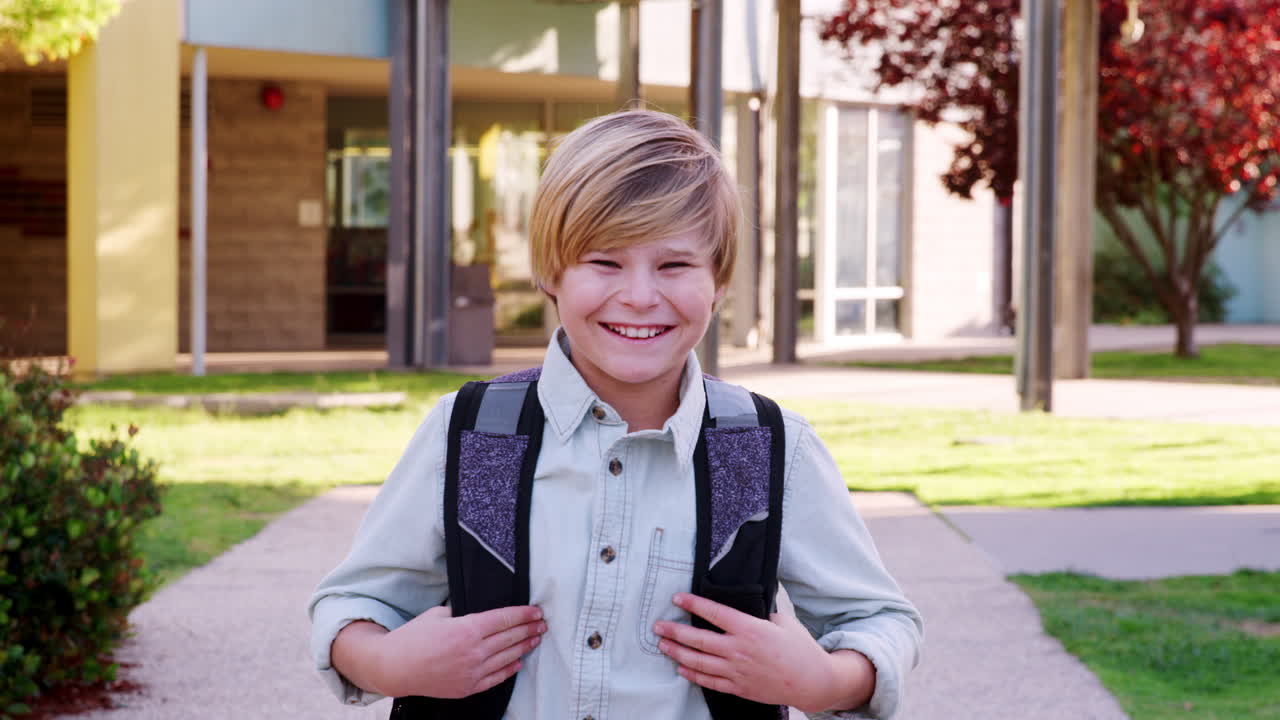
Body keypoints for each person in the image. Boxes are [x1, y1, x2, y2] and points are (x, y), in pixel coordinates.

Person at [308, 109, 923, 719]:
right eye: (605, 262)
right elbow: (353, 605)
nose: (639, 296)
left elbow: (878, 621)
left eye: (675, 265)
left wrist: (823, 682)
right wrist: (387, 663)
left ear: (720, 280)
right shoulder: (474, 437)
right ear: (552, 270)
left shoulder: (763, 451)